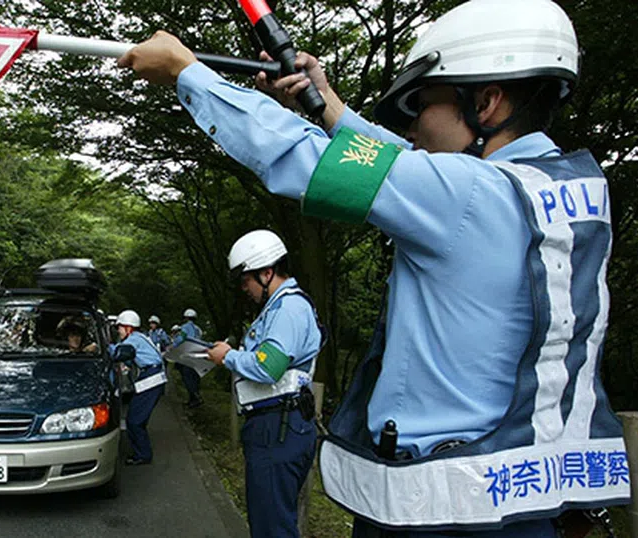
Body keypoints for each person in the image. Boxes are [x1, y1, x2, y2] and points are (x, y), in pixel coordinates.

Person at [118, 1, 628, 536]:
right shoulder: (564, 193)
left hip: (440, 505)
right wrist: (326, 105)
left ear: (486, 102)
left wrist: (186, 72)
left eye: (422, 106)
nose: (413, 127)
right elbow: (411, 168)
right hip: (526, 496)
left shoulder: (468, 193)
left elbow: (303, 156)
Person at [205, 230, 323, 537]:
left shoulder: (288, 308)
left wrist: (228, 356)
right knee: (272, 521)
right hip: (278, 424)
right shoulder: (279, 308)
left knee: (272, 528)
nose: (244, 288)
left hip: (277, 427)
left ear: (267, 273)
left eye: (246, 280)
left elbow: (268, 366)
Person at [110, 309, 166, 465]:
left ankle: (143, 455)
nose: (118, 331)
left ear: (128, 328)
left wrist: (100, 347)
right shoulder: (140, 337)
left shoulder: (132, 340)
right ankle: (141, 451)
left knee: (134, 421)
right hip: (154, 378)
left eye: (120, 327)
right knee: (137, 418)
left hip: (150, 379)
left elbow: (117, 352)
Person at [171, 308, 204, 408]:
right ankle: (193, 399)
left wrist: (172, 347)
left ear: (185, 318)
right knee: (195, 377)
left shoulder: (184, 327)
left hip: (188, 355)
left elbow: (181, 338)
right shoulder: (198, 329)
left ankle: (196, 398)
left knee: (187, 377)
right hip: (197, 355)